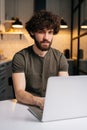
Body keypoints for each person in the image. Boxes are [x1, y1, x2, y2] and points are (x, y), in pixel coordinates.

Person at [12, 10, 69, 109]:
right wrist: (39, 102)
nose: (46, 37)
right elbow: (19, 93)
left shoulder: (60, 58)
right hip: (27, 106)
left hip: (52, 106)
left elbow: (64, 88)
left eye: (50, 32)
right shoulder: (20, 57)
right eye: (41, 32)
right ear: (32, 32)